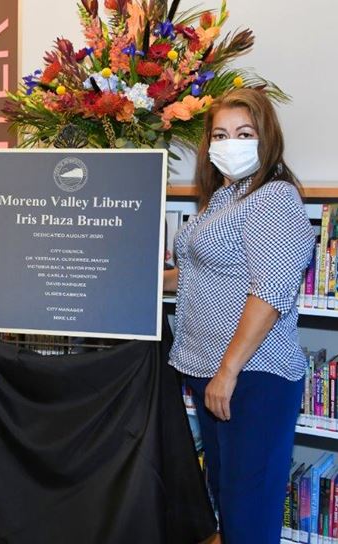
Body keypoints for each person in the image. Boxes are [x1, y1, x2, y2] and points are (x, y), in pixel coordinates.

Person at [164, 88, 315, 543]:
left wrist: (228, 371)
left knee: (248, 510)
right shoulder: (226, 197)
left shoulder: (274, 199)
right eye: (221, 134)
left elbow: (268, 293)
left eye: (244, 133)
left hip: (250, 378)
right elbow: (197, 275)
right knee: (227, 500)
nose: (231, 143)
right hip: (210, 373)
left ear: (266, 138)